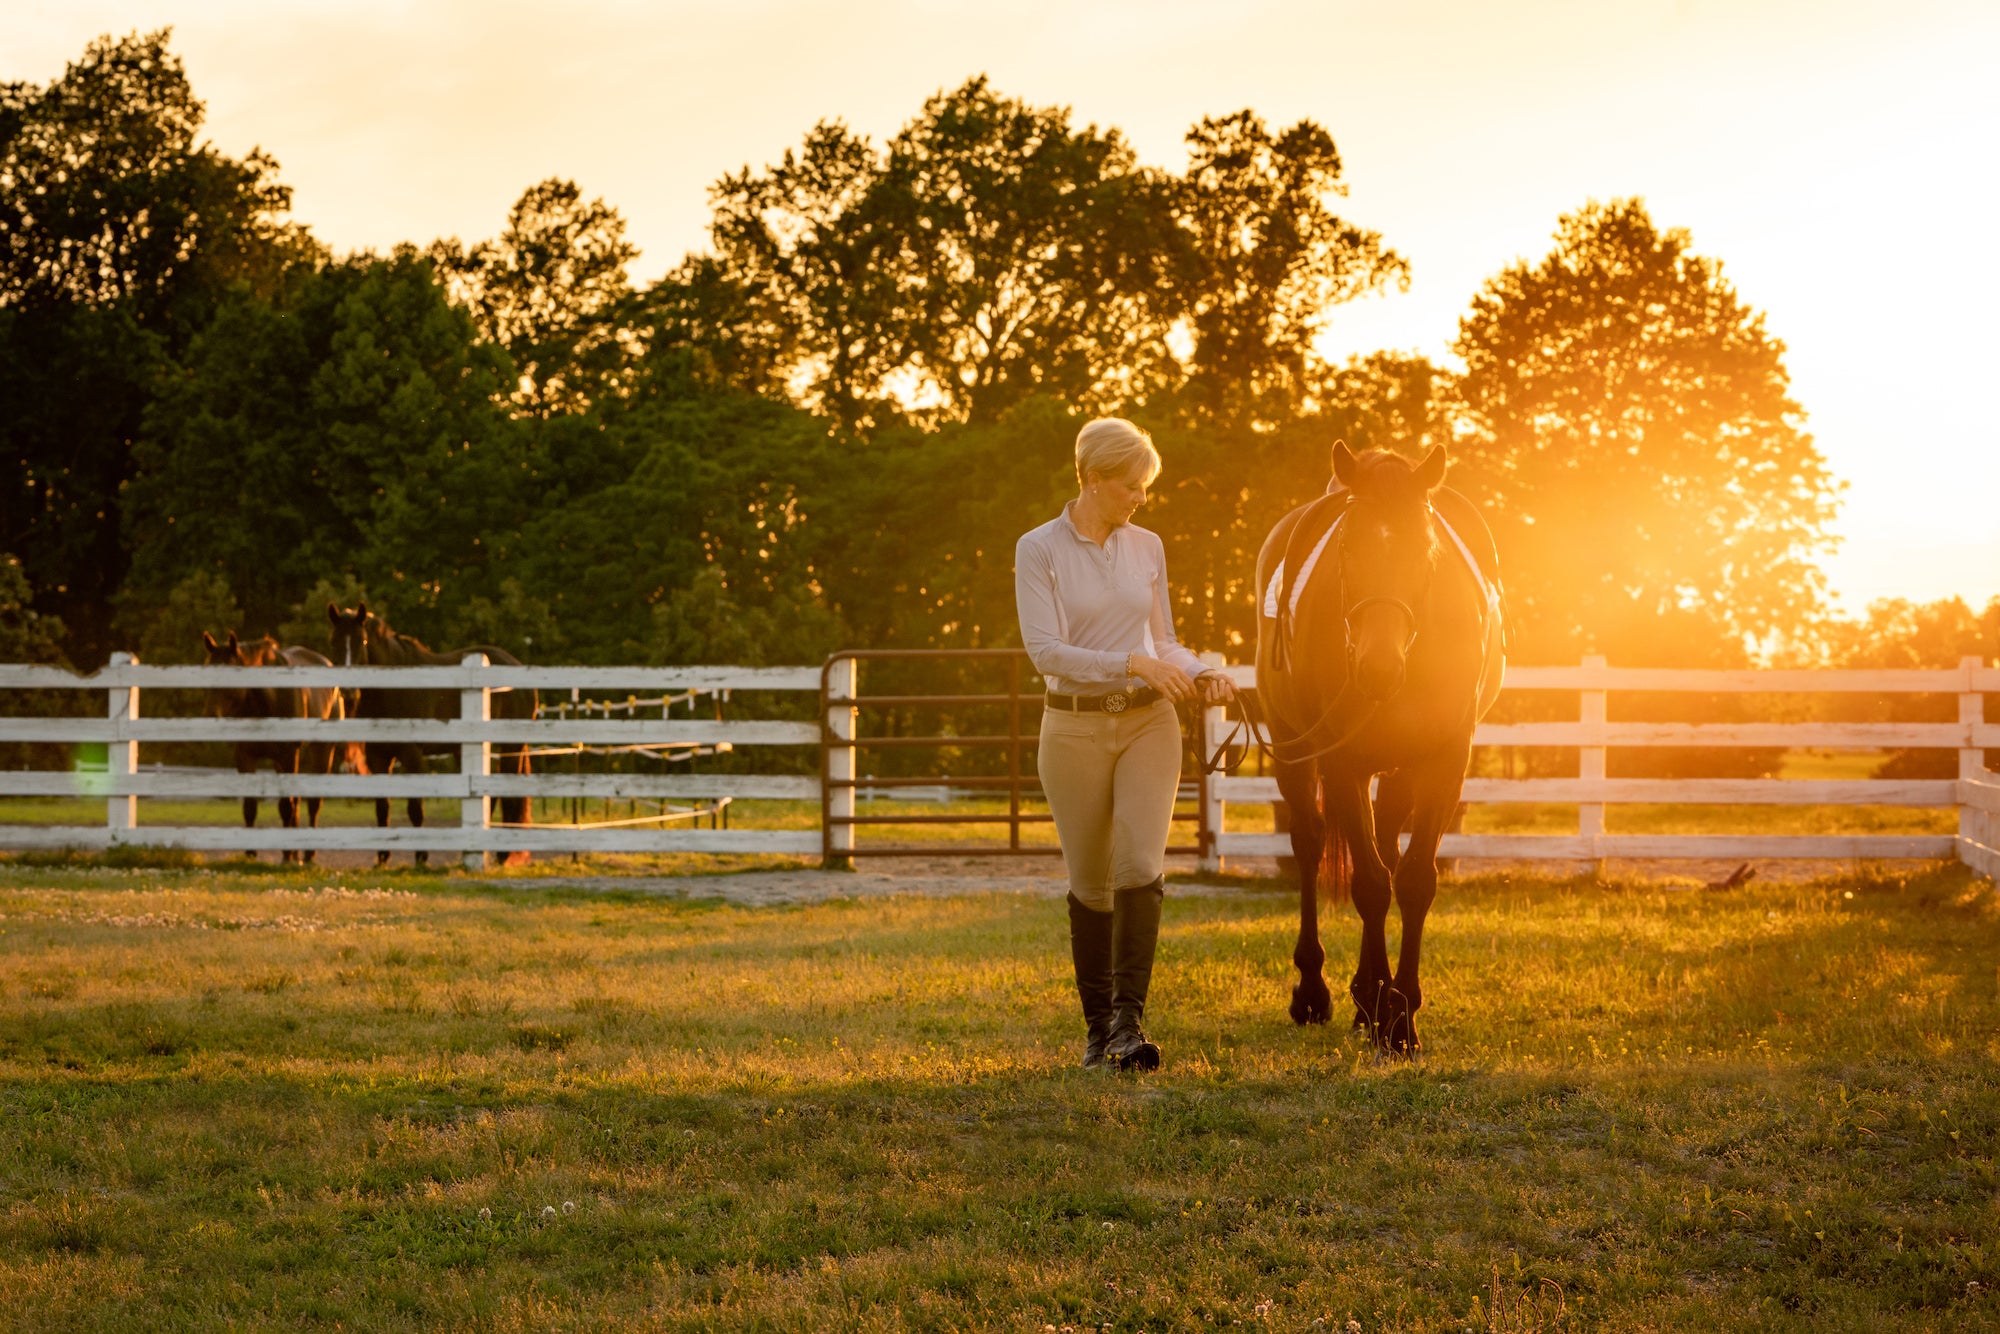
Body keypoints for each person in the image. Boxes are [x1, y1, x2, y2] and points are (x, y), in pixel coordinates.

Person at [1015, 418, 1236, 1071]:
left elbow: (1163, 638)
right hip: (1074, 726)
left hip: (1149, 724)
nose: (1140, 497)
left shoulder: (1148, 546)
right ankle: (1097, 1033)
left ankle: (1127, 1025)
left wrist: (1197, 671)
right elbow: (1045, 650)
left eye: (1145, 486)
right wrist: (1133, 663)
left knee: (1139, 866)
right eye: (1130, 485)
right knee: (1091, 883)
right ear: (1091, 477)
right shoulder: (1039, 548)